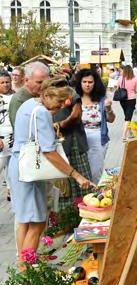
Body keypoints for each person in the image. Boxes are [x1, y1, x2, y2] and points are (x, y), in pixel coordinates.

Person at [8, 78, 93, 262]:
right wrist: (75, 175)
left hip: (18, 166)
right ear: (46, 95)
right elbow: (49, 152)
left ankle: (23, 266)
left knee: (25, 220)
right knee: (37, 223)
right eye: (59, 101)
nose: (61, 106)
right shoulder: (42, 113)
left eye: (64, 102)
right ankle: (28, 268)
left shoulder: (29, 104)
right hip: (30, 170)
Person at [75, 69, 115, 184]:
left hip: (98, 138)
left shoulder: (102, 100)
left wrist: (108, 109)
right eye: (84, 82)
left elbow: (111, 119)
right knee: (80, 171)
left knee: (95, 172)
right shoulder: (75, 99)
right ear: (80, 83)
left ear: (95, 83)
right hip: (79, 139)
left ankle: (94, 195)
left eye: (90, 82)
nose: (87, 85)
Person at [9, 62, 50, 128]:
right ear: (26, 80)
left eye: (46, 82)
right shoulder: (19, 100)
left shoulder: (40, 94)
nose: (44, 85)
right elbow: (21, 129)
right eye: (39, 82)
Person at [116, 65, 137, 141]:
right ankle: (124, 136)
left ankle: (130, 133)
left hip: (122, 100)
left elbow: (117, 88)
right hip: (131, 100)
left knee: (127, 116)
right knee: (128, 118)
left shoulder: (120, 79)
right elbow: (136, 91)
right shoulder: (135, 79)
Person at [0, 72, 14, 199]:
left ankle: (10, 190)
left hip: (14, 135)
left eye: (7, 82)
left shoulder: (16, 96)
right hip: (2, 137)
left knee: (11, 165)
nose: (5, 84)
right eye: (2, 82)